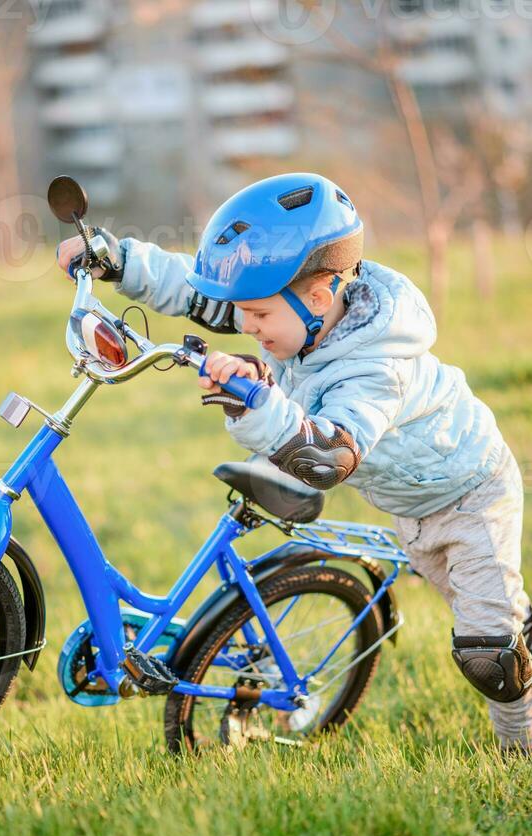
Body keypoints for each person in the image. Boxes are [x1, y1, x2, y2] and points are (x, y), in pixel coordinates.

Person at [57, 172, 532, 754]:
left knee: (488, 653)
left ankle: (519, 750)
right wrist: (118, 259)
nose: (245, 326)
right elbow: (196, 289)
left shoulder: (376, 366)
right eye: (244, 315)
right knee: (484, 608)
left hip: (469, 497)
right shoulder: (291, 316)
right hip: (409, 506)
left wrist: (257, 401)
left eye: (256, 316)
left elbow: (329, 455)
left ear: (317, 297)